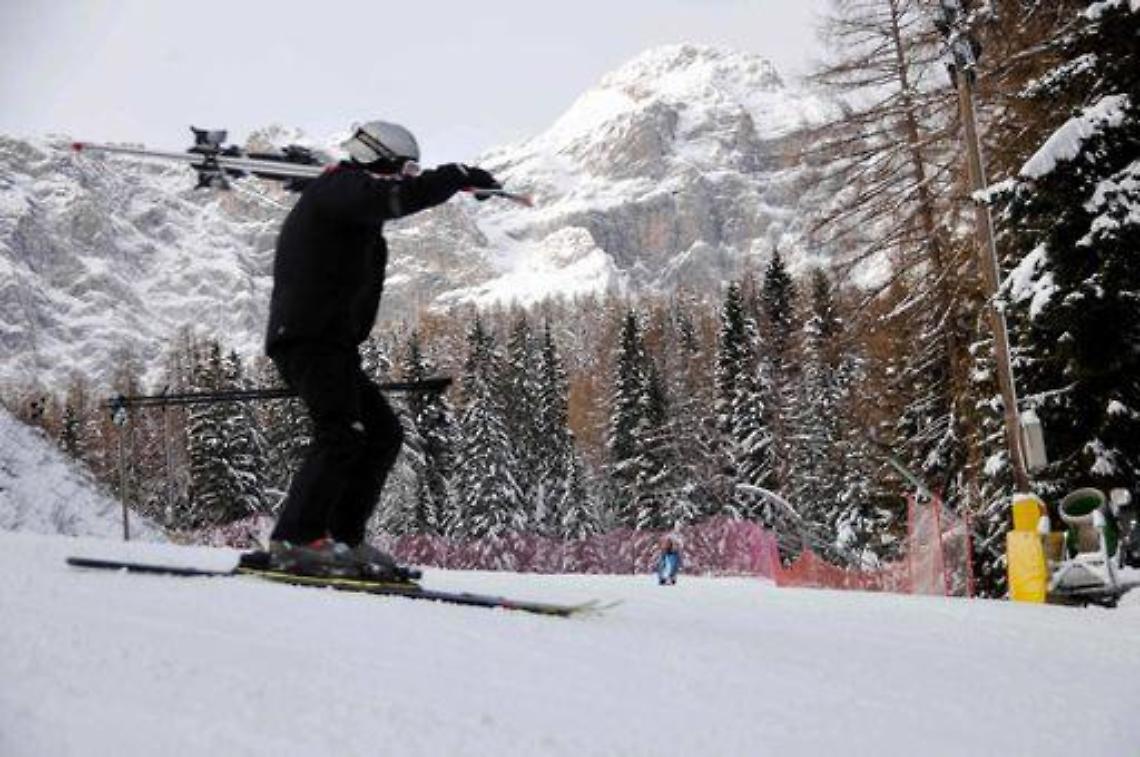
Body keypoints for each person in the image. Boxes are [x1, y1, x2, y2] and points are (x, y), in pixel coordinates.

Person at [263, 120, 501, 579]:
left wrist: (457, 180)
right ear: (376, 158)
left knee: (381, 434)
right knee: (341, 432)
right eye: (403, 169)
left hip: (332, 342)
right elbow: (391, 199)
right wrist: (453, 175)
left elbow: (385, 203)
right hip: (308, 337)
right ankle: (294, 540)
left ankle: (342, 539)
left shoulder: (351, 202)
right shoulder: (339, 187)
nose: (407, 178)